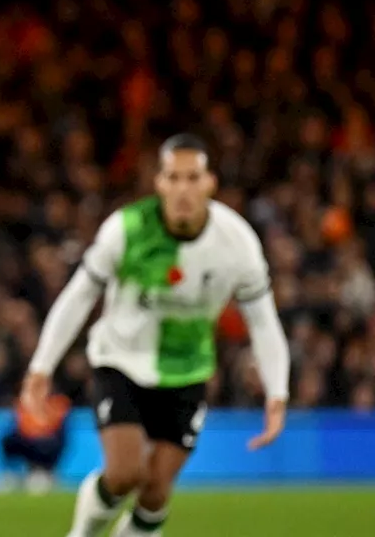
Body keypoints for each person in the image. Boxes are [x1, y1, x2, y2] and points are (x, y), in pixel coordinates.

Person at [21, 134, 291, 537]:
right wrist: (41, 367)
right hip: (121, 360)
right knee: (126, 473)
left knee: (155, 491)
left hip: (188, 371)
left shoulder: (238, 244)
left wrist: (277, 391)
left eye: (192, 177)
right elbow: (79, 295)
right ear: (159, 182)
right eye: (173, 177)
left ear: (210, 183)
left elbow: (263, 320)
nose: (183, 188)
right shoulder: (126, 230)